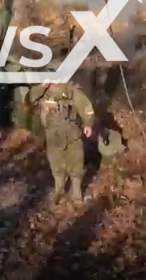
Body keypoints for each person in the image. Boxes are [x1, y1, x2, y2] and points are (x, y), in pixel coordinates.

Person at [28, 67, 95, 205]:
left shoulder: (70, 90)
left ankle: (77, 195)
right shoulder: (43, 92)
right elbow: (30, 99)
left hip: (72, 134)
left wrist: (88, 123)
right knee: (56, 164)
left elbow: (85, 106)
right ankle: (59, 190)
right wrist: (42, 87)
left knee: (76, 164)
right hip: (53, 135)